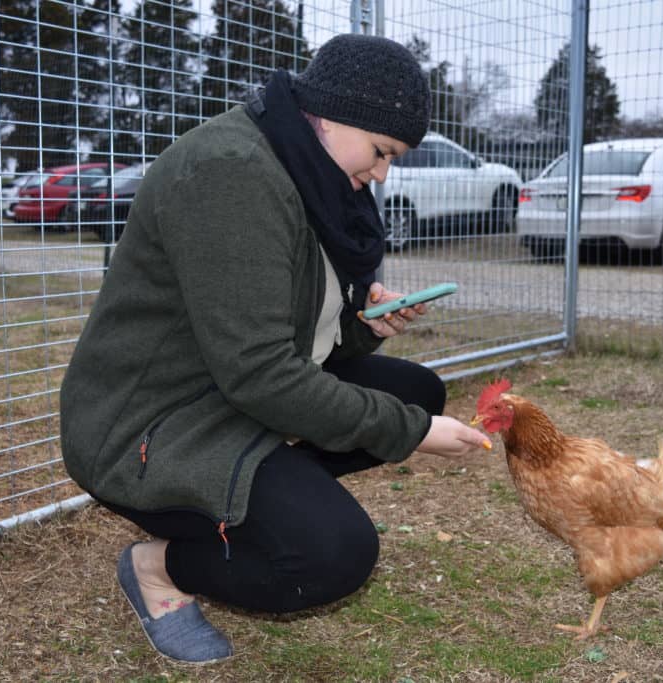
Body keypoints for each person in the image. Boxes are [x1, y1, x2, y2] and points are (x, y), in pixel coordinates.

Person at [59, 33, 489, 664]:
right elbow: (261, 371)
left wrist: (365, 326)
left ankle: (259, 505)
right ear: (339, 115)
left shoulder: (302, 173)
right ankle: (161, 567)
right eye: (382, 151)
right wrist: (412, 432)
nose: (381, 173)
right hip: (143, 429)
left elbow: (289, 346)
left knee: (415, 389)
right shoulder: (230, 174)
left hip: (220, 394)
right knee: (332, 555)